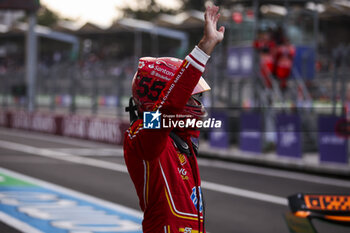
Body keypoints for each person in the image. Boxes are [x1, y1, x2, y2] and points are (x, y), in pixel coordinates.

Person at [123, 5, 225, 233]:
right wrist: (204, 48)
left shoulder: (181, 137)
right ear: (160, 98)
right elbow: (168, 108)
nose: (196, 104)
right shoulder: (141, 135)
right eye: (189, 98)